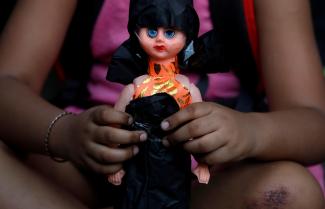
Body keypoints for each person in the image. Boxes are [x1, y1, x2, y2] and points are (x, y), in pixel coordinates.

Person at [0, 0, 324, 209]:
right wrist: (66, 135)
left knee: (290, 192)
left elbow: (314, 124)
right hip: (89, 171)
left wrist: (249, 133)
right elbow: (7, 83)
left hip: (206, 186)